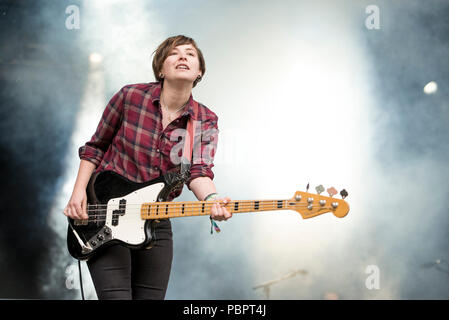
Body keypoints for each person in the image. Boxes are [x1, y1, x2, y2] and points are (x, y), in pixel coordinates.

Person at [63, 35, 232, 300]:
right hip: (105, 214)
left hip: (155, 221)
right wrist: (78, 192)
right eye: (174, 53)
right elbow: (96, 146)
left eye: (190, 54)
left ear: (200, 71)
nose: (183, 57)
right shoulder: (130, 96)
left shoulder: (205, 120)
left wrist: (212, 200)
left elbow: (199, 171)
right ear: (161, 69)